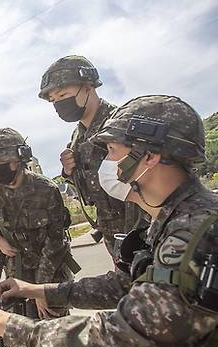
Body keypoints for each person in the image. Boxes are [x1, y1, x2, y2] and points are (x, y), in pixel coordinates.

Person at [0, 96, 218, 347]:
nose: (105, 162)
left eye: (112, 151)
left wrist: (1, 323)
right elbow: (124, 285)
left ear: (149, 157)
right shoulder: (177, 217)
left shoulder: (201, 233)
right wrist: (40, 290)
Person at [0, 127, 79, 347]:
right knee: (21, 336)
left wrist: (40, 289)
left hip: (50, 273)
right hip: (16, 272)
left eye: (0, 163)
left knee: (55, 337)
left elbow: (56, 242)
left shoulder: (46, 189)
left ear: (19, 159)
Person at [38, 55, 146, 258]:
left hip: (142, 232)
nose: (59, 104)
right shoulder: (78, 137)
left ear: (88, 86)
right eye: (54, 100)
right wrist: (69, 172)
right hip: (112, 233)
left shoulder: (122, 123)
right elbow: (92, 187)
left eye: (63, 94)